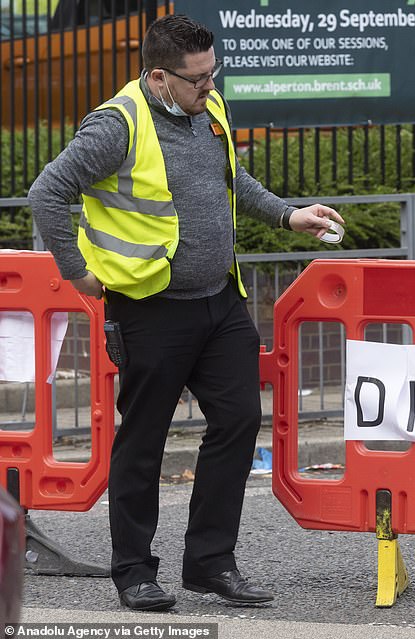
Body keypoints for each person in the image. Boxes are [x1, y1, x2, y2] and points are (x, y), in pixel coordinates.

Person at [28, 14, 345, 612]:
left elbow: (229, 179)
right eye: (197, 79)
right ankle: (134, 572)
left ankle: (209, 564)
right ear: (158, 77)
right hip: (150, 308)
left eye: (212, 73)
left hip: (220, 302)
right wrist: (76, 274)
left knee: (239, 420)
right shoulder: (116, 126)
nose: (210, 86)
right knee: (144, 441)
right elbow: (49, 191)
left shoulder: (208, 109)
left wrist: (286, 213)